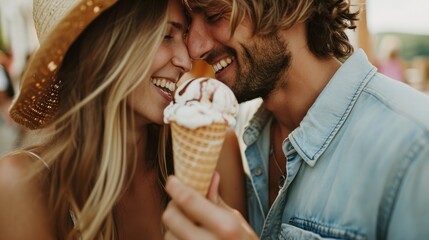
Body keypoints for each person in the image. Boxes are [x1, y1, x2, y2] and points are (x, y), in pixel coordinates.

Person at [162, 0, 429, 239]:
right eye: (189, 27)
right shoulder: (229, 132)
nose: (194, 48)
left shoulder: (414, 147)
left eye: (214, 14)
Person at [0, 0, 245, 239]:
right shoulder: (22, 186)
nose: (186, 60)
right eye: (166, 36)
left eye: (185, 37)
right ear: (101, 48)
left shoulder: (217, 152)